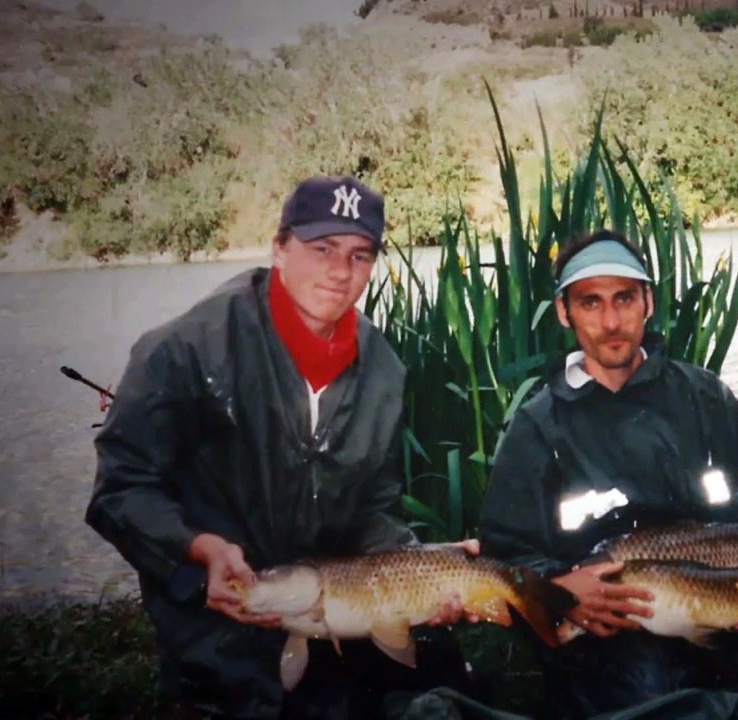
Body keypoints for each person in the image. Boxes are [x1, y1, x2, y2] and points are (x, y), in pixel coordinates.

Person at [85, 175, 478, 719]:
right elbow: (121, 489)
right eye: (322, 249)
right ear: (279, 248)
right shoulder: (187, 349)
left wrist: (420, 567)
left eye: (360, 256)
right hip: (217, 616)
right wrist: (195, 549)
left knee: (437, 684)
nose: (341, 272)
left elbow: (373, 506)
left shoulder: (383, 368)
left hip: (331, 606)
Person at [478, 229, 738, 718]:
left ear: (648, 302)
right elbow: (505, 553)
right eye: (590, 303)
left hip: (720, 606)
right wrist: (560, 589)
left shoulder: (707, 398)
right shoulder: (536, 426)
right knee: (651, 699)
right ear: (564, 312)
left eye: (624, 298)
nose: (611, 320)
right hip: (609, 629)